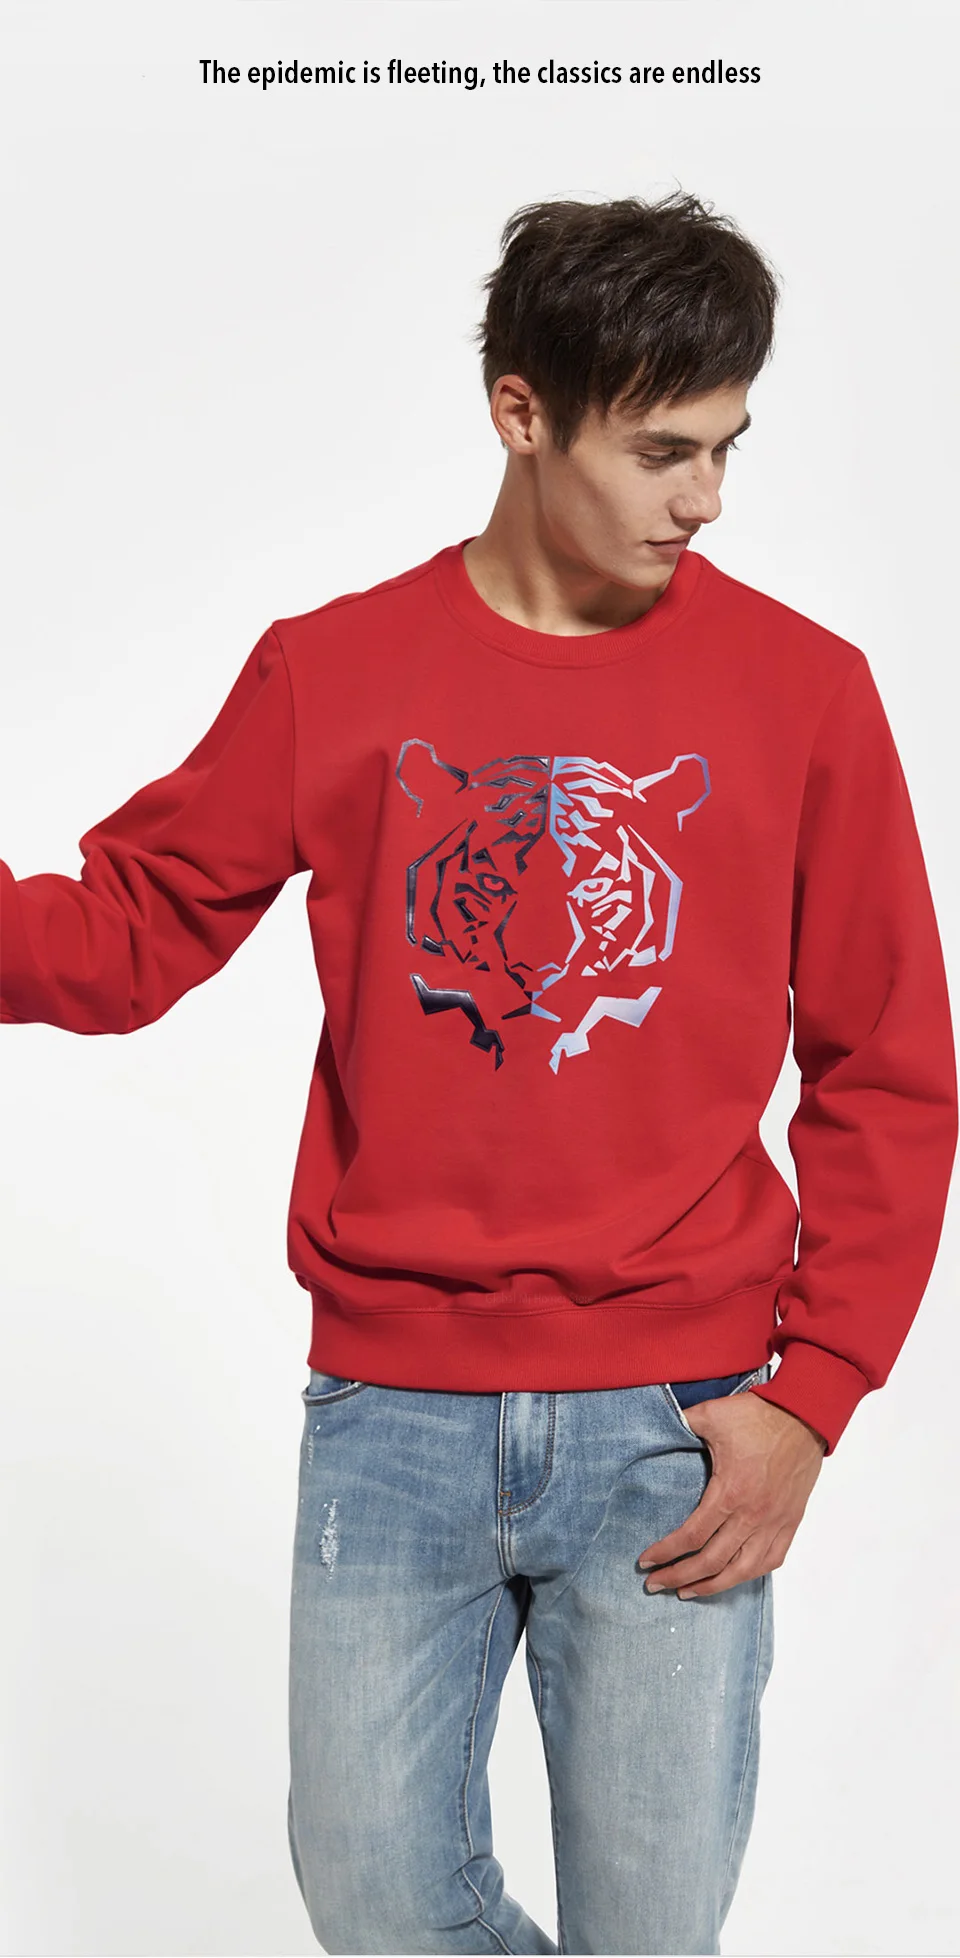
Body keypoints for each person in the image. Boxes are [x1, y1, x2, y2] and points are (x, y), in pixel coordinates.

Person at [2, 189, 956, 1957]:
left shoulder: (803, 692)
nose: (707, 498)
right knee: (374, 1900)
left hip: (678, 1421)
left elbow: (889, 1064)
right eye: (663, 451)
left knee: (651, 1934)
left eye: (729, 447)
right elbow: (127, 933)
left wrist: (815, 1392)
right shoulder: (339, 672)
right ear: (522, 412)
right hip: (394, 1412)